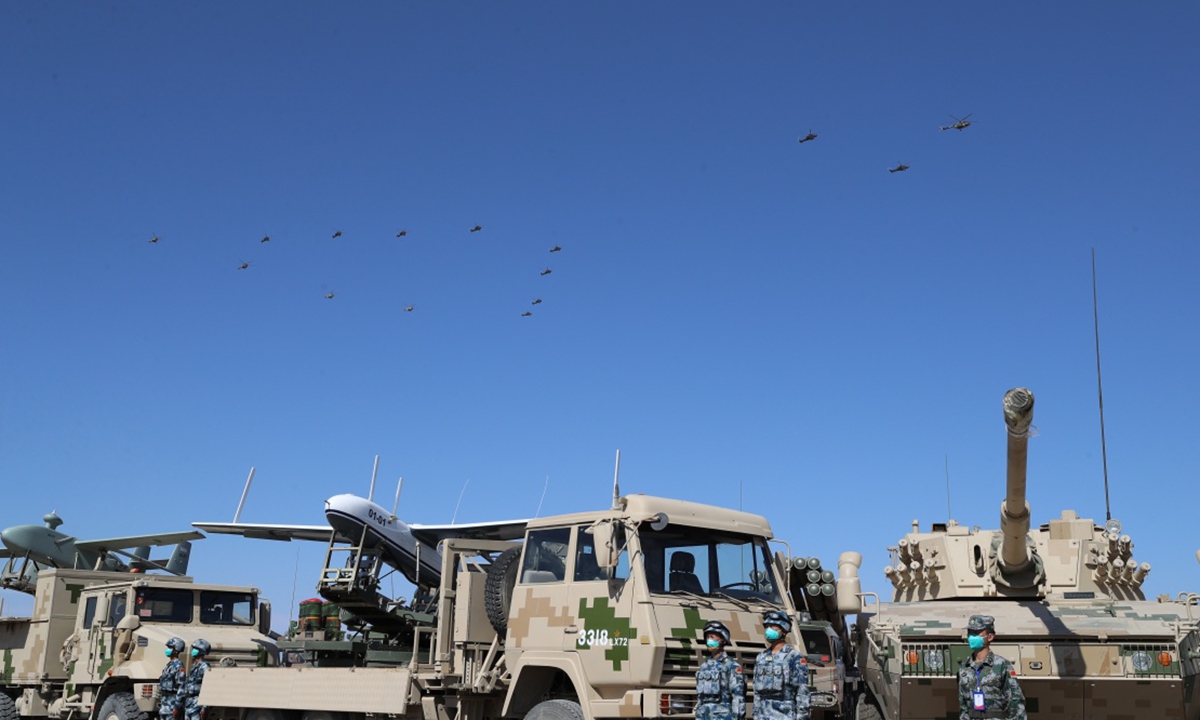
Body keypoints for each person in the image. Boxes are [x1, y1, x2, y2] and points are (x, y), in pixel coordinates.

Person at [958, 615, 1026, 720]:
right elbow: (963, 705)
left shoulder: (1002, 665)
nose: (972, 637)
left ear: (990, 637)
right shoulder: (964, 668)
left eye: (977, 633)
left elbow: (1016, 701)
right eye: (970, 633)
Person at [752, 610, 809, 720]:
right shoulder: (761, 657)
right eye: (767, 626)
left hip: (785, 715)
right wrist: (755, 713)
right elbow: (757, 692)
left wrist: (802, 717)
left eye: (773, 627)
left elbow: (802, 692)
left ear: (784, 630)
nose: (768, 630)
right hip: (762, 715)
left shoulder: (794, 658)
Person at [695, 620, 745, 720]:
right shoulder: (704, 666)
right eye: (708, 637)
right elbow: (700, 698)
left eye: (713, 637)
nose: (709, 640)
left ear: (723, 639)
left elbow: (738, 697)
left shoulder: (731, 666)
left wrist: (738, 717)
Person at [182, 638, 212, 720]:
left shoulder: (204, 666)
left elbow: (208, 687)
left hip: (198, 703)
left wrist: (205, 707)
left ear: (201, 651)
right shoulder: (195, 665)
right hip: (189, 703)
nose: (193, 650)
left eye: (196, 649)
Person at [158, 637, 186, 720]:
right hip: (165, 703)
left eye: (170, 648)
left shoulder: (178, 666)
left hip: (172, 703)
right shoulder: (169, 665)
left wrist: (177, 707)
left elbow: (181, 687)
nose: (168, 650)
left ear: (176, 651)